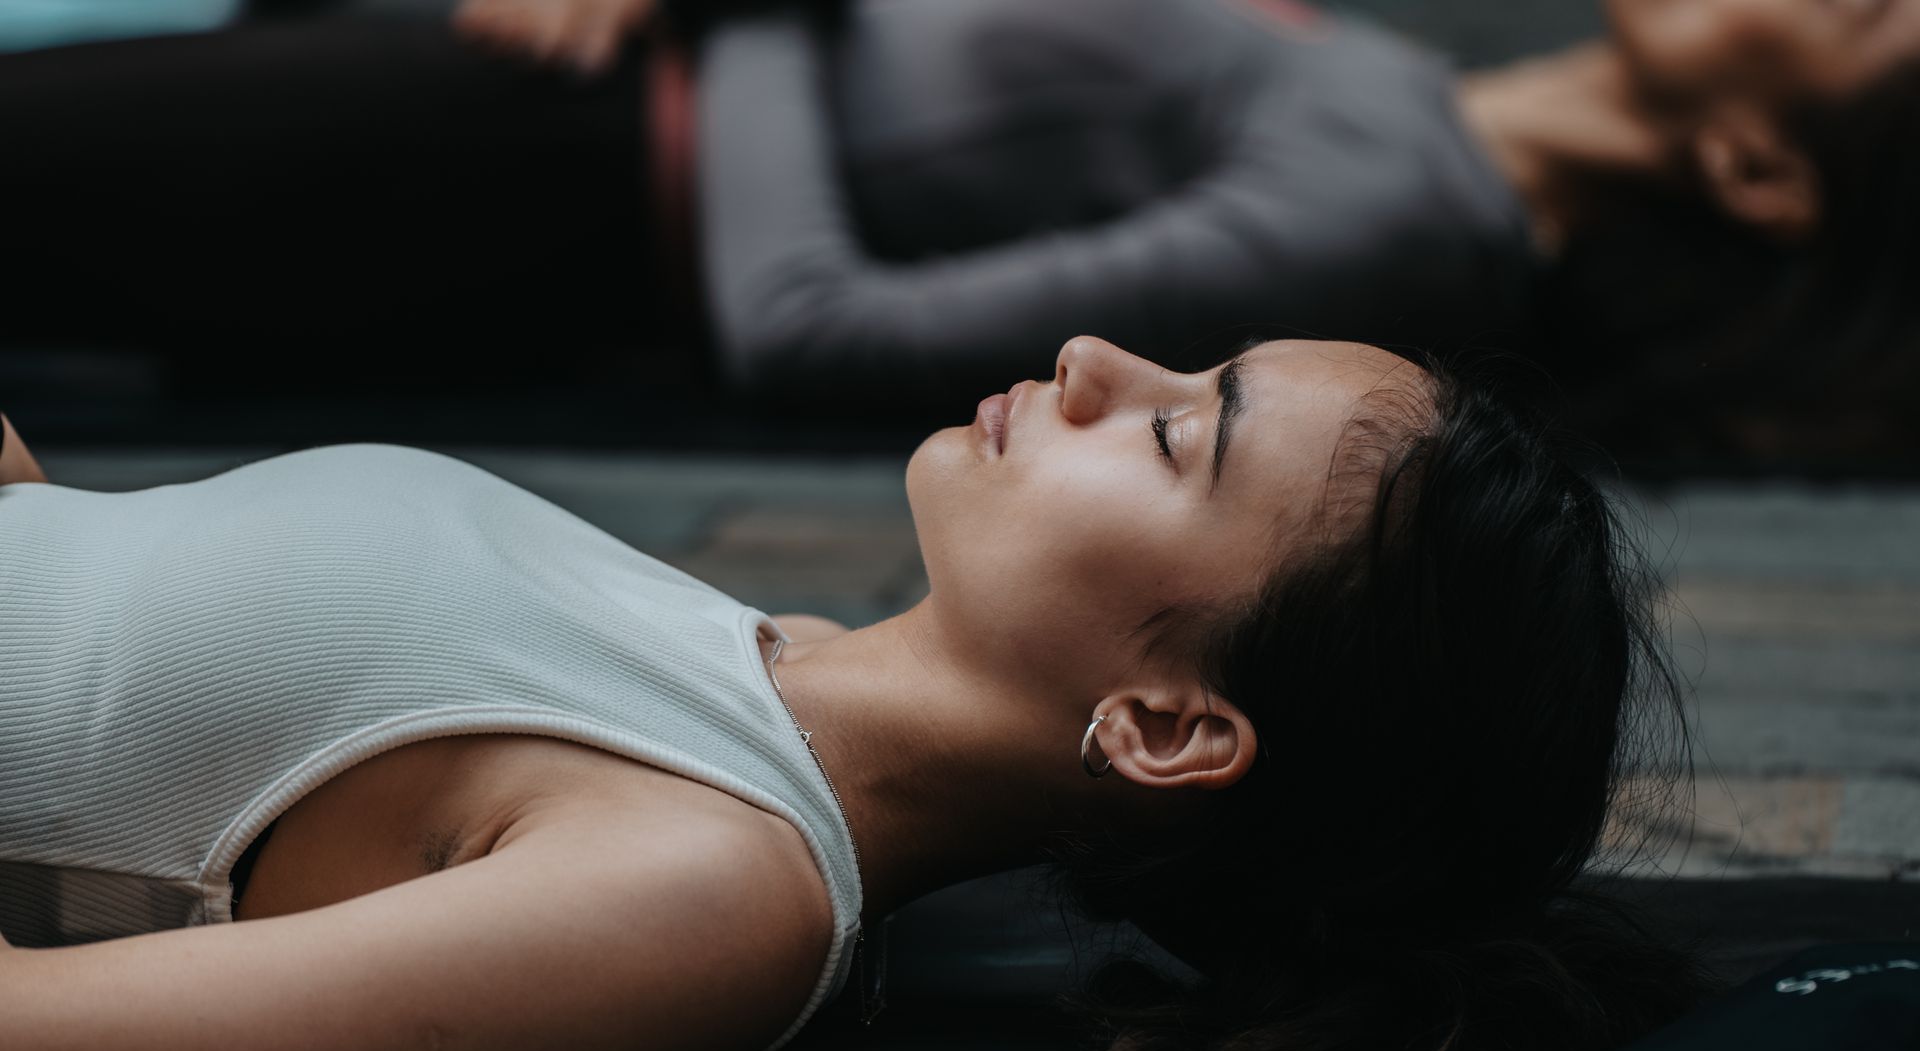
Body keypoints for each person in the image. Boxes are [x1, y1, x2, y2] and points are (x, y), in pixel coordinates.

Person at [0, 333, 1708, 1051]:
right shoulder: (752, 659)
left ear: (1173, 727)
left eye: (1182, 432)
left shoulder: (705, 899)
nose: (1096, 359)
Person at [1, 0, 1913, 427]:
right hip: (530, 85)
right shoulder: (1397, 94)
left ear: (1758, 167)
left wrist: (742, 6)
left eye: (1855, 11)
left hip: (511, 173)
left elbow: (812, 332)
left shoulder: (1403, 212)